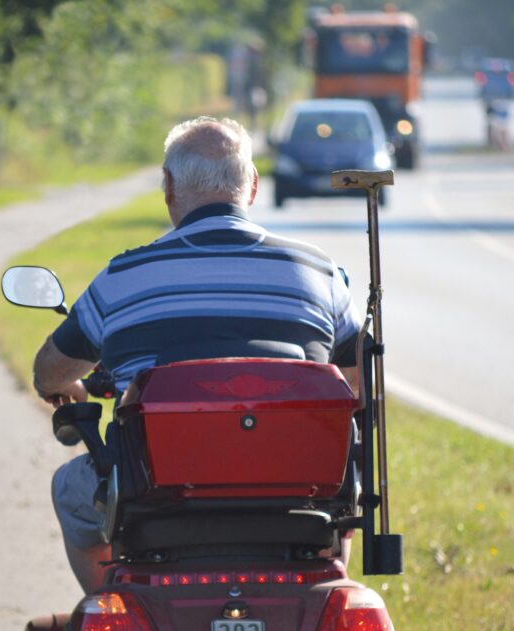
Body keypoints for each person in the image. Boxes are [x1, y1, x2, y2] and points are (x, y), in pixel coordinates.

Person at [32, 116, 361, 593]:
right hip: (299, 499)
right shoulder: (320, 272)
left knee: (70, 490)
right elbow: (358, 386)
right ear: (251, 185)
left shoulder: (123, 277)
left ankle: (117, 610)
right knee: (343, 475)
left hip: (156, 499)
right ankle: (326, 589)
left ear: (168, 187)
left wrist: (64, 387)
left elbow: (49, 370)